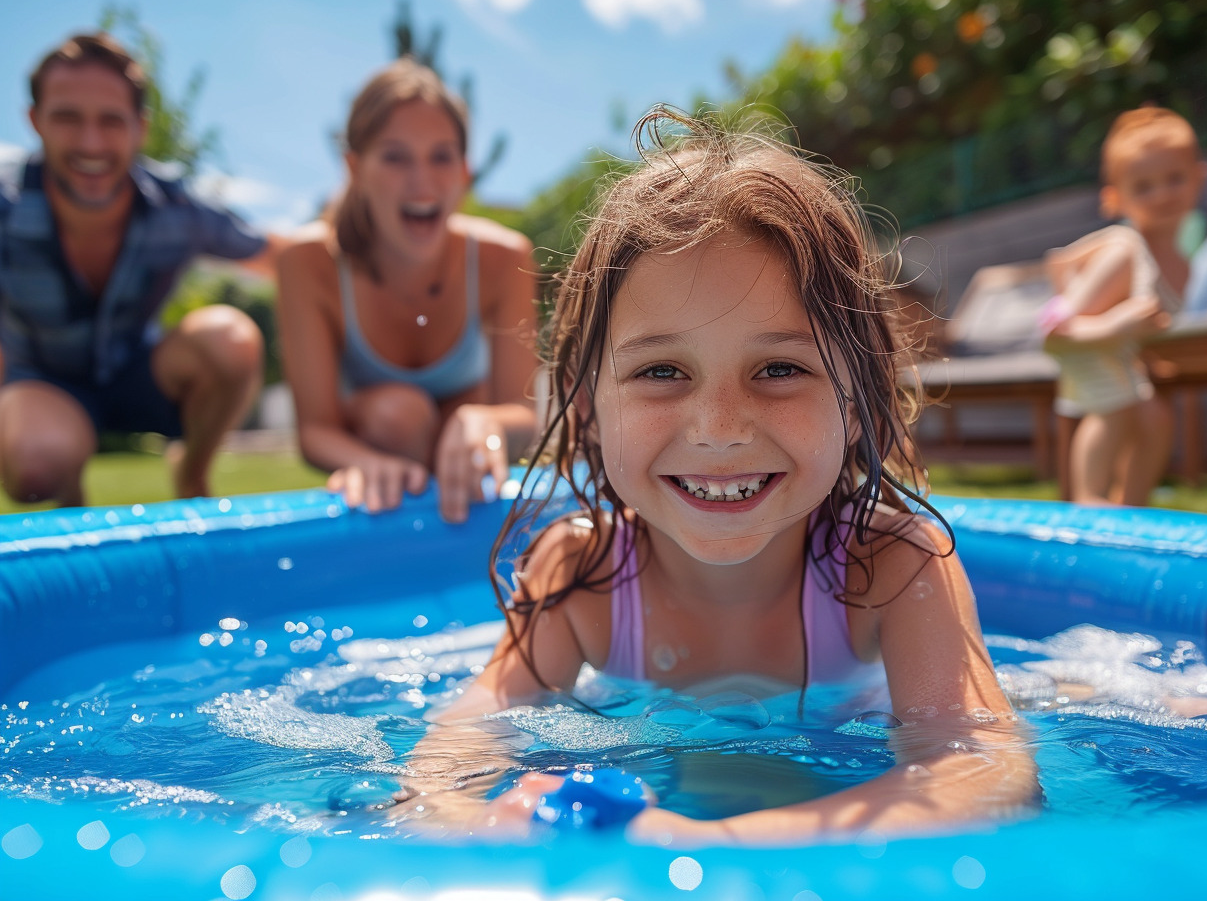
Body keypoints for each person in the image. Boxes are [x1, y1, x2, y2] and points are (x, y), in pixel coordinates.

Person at [391, 109, 1038, 845]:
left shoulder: (892, 565)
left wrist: (714, 845)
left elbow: (984, 769)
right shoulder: (581, 576)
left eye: (780, 369)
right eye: (661, 371)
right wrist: (475, 823)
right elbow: (454, 751)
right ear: (587, 404)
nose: (719, 425)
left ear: (859, 402)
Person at [0, 32, 277, 507]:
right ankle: (70, 501)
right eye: (67, 117)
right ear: (35, 121)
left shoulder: (176, 206)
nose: (91, 143)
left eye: (111, 121)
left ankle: (191, 475)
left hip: (140, 372)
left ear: (140, 128)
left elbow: (275, 254)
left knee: (229, 341)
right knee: (36, 464)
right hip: (44, 380)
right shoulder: (6, 208)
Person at [276, 59, 540, 523]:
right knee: (401, 414)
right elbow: (316, 430)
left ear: (464, 171)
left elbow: (525, 414)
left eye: (440, 157)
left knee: (463, 419)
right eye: (396, 157)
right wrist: (368, 463)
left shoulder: (504, 257)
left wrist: (488, 423)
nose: (422, 182)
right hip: (382, 429)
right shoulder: (308, 261)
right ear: (354, 168)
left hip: (462, 433)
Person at [1040, 105, 1207, 506]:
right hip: (1083, 348)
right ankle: (1090, 500)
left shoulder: (1185, 266)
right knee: (1114, 411)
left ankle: (1129, 505)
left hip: (1115, 354)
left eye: (1174, 178)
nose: (1163, 193)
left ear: (1199, 179)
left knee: (1154, 416)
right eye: (1144, 186)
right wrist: (1116, 325)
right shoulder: (1124, 252)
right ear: (1114, 198)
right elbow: (1057, 330)